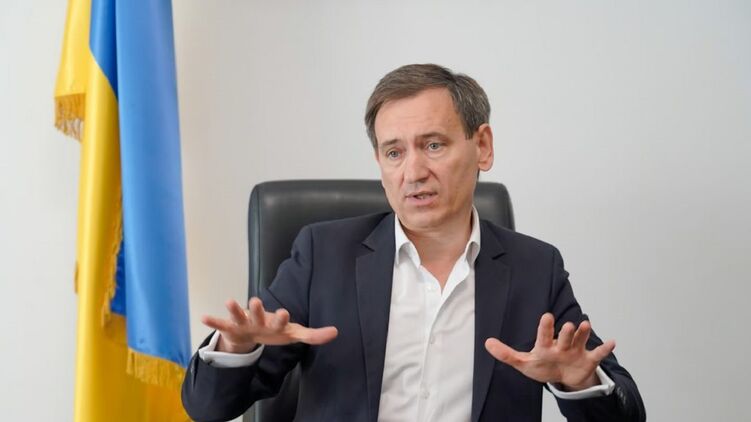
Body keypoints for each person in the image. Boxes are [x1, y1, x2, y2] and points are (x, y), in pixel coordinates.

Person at [182, 64, 646, 422]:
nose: (413, 172)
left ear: (482, 146)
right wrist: (236, 348)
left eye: (434, 145)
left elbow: (626, 413)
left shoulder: (534, 268)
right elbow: (206, 407)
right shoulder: (324, 255)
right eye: (394, 152)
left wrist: (579, 381)